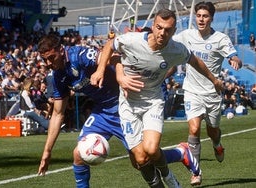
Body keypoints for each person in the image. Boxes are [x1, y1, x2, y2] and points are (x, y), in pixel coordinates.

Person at [37, 34, 201, 188]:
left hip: (125, 105)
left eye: (52, 58)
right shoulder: (57, 76)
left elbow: (114, 57)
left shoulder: (78, 55)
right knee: (79, 153)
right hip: (102, 111)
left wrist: (113, 74)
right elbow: (58, 114)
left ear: (60, 50)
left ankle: (181, 153)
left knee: (141, 161)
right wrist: (47, 152)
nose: (49, 63)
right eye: (45, 60)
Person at [90, 8, 223, 188]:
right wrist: (100, 70)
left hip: (153, 102)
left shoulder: (176, 50)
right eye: (159, 27)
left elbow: (195, 61)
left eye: (168, 29)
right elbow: (110, 45)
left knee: (151, 149)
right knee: (139, 159)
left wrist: (214, 80)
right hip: (128, 105)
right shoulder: (132, 40)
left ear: (174, 31)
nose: (162, 32)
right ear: (153, 26)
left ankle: (169, 178)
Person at [172, 1, 242, 185]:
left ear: (211, 18)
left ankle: (217, 145)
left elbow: (233, 56)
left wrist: (235, 60)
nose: (201, 19)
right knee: (194, 129)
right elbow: (168, 42)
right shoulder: (186, 35)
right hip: (192, 91)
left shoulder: (220, 38)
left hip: (212, 93)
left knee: (213, 131)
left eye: (205, 16)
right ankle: (196, 172)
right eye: (199, 15)